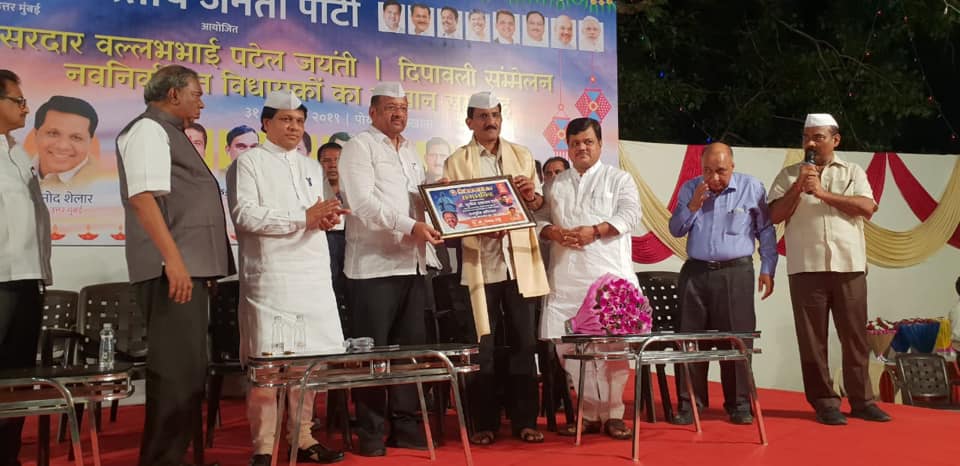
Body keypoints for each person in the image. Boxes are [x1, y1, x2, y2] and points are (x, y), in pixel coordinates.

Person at [115, 64, 235, 466]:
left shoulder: (170, 133)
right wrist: (176, 262)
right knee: (175, 379)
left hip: (185, 271)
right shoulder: (148, 130)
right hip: (171, 272)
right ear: (172, 95)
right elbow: (143, 199)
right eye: (196, 93)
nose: (201, 101)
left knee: (187, 376)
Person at [228, 90, 347, 466]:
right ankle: (263, 447)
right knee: (269, 365)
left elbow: (325, 214)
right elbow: (245, 216)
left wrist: (328, 218)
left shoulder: (312, 167)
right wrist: (303, 218)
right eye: (285, 120)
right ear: (266, 124)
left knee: (307, 365)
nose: (294, 127)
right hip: (271, 279)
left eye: (299, 120)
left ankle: (304, 438)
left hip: (312, 277)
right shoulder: (248, 163)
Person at [338, 82, 444, 457]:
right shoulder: (358, 147)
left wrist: (441, 200)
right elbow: (362, 203)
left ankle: (406, 427)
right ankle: (370, 433)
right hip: (373, 268)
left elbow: (419, 198)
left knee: (409, 354)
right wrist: (410, 225)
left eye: (403, 108)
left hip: (413, 265)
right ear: (373, 112)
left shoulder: (411, 151)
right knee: (372, 355)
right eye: (389, 108)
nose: (398, 114)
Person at [768, 113, 891, 425]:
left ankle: (862, 401)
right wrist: (799, 188)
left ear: (835, 140)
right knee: (812, 340)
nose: (810, 143)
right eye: (806, 137)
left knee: (854, 338)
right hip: (806, 268)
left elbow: (866, 208)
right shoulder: (788, 175)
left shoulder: (852, 171)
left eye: (818, 137)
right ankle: (825, 403)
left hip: (848, 266)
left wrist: (822, 193)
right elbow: (772, 216)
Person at [443, 91, 549, 445]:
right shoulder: (456, 162)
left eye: (495, 115)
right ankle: (483, 424)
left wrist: (531, 195)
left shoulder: (521, 154)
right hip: (480, 263)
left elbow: (536, 205)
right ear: (469, 122)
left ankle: (525, 422)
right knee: (482, 347)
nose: (491, 121)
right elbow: (452, 216)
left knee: (524, 344)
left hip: (518, 261)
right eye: (483, 116)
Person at [539, 117, 641, 440]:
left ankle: (613, 414)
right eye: (575, 143)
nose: (581, 148)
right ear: (567, 147)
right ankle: (588, 412)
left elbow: (630, 216)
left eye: (588, 142)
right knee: (570, 351)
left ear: (600, 144)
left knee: (612, 350)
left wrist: (594, 231)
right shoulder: (557, 184)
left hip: (609, 279)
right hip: (567, 279)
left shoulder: (619, 179)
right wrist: (553, 231)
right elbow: (539, 219)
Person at [667, 142, 777, 425]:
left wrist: (768, 267)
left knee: (737, 340)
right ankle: (690, 403)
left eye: (721, 171)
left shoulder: (751, 188)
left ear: (732, 167)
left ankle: (739, 404)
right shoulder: (691, 188)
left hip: (735, 273)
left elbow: (765, 230)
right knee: (689, 341)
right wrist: (693, 206)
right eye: (708, 171)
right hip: (696, 272)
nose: (714, 178)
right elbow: (676, 228)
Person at [0, 69, 52, 466]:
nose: (25, 107)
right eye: (18, 101)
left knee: (17, 379)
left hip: (28, 279)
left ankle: (9, 454)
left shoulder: (18, 154)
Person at [31, 95, 100, 187]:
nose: (62, 146)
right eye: (53, 134)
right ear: (36, 134)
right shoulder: (15, 170)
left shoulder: (103, 182)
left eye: (76, 138)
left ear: (90, 142)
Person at [318, 141, 348, 321]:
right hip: (325, 241)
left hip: (351, 240)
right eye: (326, 161)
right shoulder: (312, 190)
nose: (332, 165)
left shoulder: (355, 189)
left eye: (337, 160)